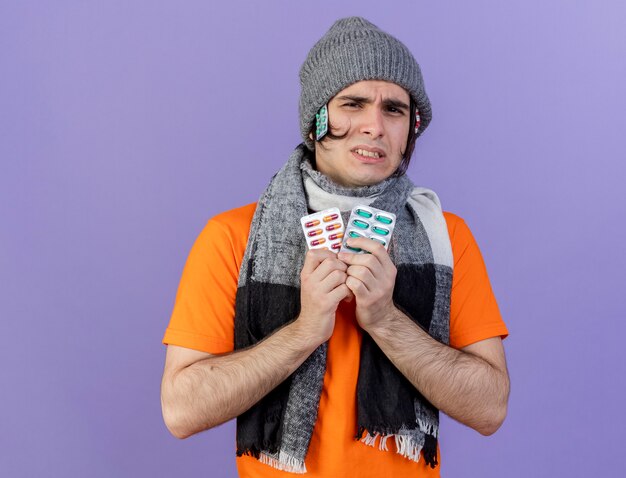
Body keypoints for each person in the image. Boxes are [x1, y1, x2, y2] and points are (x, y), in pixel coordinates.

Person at [160, 16, 510, 477]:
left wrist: (386, 321)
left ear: (411, 129)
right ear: (315, 121)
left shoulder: (446, 237)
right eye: (353, 104)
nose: (374, 126)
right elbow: (181, 412)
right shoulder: (232, 236)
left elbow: (490, 408)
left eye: (394, 110)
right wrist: (304, 331)